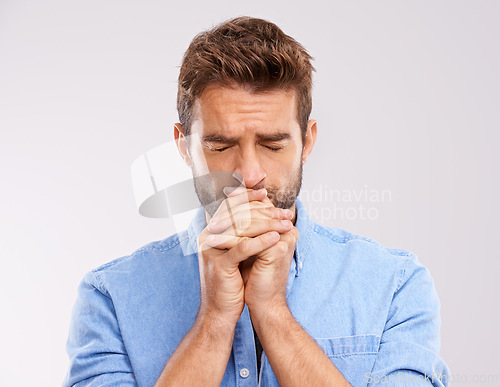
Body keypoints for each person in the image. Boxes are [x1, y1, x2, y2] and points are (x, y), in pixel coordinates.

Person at [64, 16, 450, 386]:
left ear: (307, 142)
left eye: (272, 144)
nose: (249, 175)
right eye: (220, 145)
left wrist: (274, 315)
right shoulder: (110, 299)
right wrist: (214, 321)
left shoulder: (395, 285)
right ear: (184, 148)